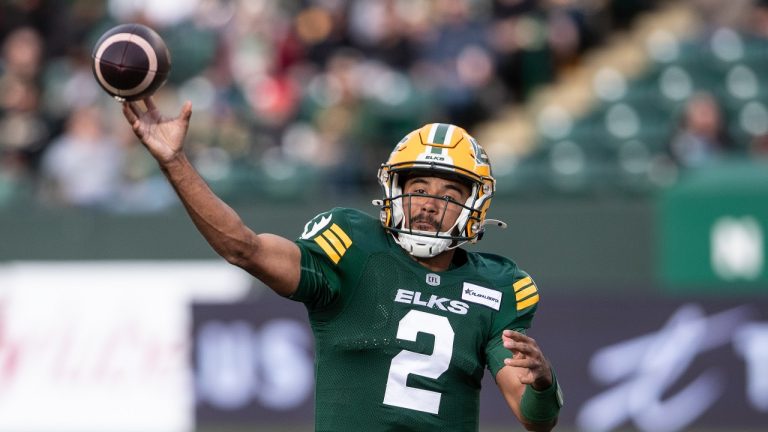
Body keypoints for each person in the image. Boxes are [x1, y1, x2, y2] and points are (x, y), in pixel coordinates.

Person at [122, 97, 563, 431]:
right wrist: (175, 162)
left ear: (475, 207)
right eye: (420, 187)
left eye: (449, 195)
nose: (429, 204)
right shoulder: (352, 246)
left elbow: (534, 418)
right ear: (394, 189)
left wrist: (544, 384)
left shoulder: (498, 285)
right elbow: (245, 249)